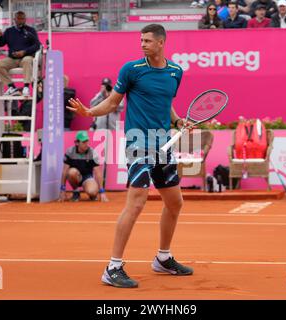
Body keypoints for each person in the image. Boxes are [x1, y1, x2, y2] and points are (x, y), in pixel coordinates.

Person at [68, 24, 194, 288]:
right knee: (136, 203)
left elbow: (165, 102)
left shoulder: (175, 72)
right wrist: (89, 113)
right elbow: (113, 102)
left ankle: (163, 257)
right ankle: (113, 267)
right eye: (141, 40)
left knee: (175, 202)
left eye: (147, 40)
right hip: (138, 143)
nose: (142, 44)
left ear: (161, 43)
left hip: (164, 143)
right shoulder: (132, 70)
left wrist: (178, 120)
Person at [0, 11, 41, 97]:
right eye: (18, 19)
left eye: (22, 19)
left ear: (25, 19)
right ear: (14, 19)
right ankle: (11, 87)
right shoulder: (9, 31)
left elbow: (37, 45)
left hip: (26, 57)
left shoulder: (30, 30)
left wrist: (24, 52)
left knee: (27, 60)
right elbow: (0, 44)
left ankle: (26, 87)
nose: (20, 20)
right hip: (12, 58)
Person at [59, 130, 109, 202]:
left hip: (87, 177)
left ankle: (92, 194)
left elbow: (98, 172)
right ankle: (76, 192)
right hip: (75, 176)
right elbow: (64, 171)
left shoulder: (92, 153)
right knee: (71, 172)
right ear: (77, 143)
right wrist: (62, 189)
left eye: (87, 141)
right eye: (83, 142)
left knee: (92, 192)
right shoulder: (70, 152)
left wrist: (102, 191)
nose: (86, 144)